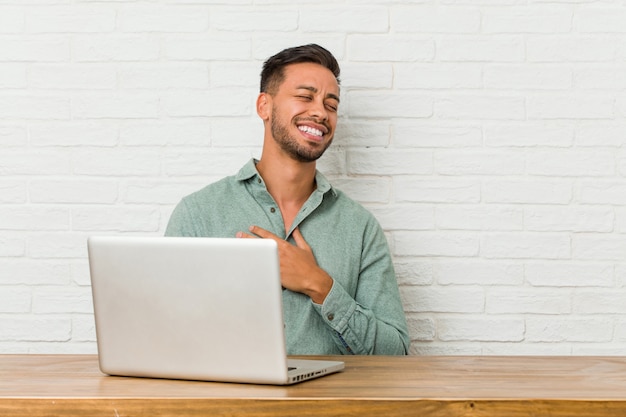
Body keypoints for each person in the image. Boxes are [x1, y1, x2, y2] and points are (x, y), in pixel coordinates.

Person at [165, 44, 410, 355]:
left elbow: (395, 354)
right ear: (264, 106)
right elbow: (167, 336)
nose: (321, 112)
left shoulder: (360, 228)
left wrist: (319, 284)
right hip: (230, 402)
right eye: (305, 97)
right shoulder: (198, 214)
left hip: (327, 404)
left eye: (331, 105)